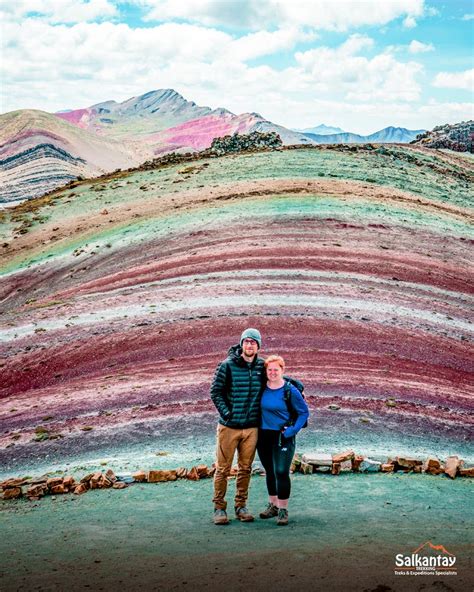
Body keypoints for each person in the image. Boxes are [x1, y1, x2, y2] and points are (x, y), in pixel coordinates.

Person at [210, 328, 264, 525]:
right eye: (246, 341)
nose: (249, 345)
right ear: (241, 344)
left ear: (258, 346)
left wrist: (297, 388)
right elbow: (215, 392)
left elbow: (278, 379)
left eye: (253, 342)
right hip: (229, 427)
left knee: (245, 468)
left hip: (251, 428)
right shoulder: (227, 365)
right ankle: (219, 508)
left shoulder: (262, 366)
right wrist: (227, 413)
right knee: (223, 469)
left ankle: (241, 506)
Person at [257, 354, 309, 526]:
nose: (272, 372)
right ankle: (272, 505)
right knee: (269, 471)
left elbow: (303, 412)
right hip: (264, 436)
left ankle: (283, 509)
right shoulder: (262, 388)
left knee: (281, 471)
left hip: (283, 436)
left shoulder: (289, 390)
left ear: (282, 370)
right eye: (269, 369)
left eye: (275, 369)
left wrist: (292, 431)